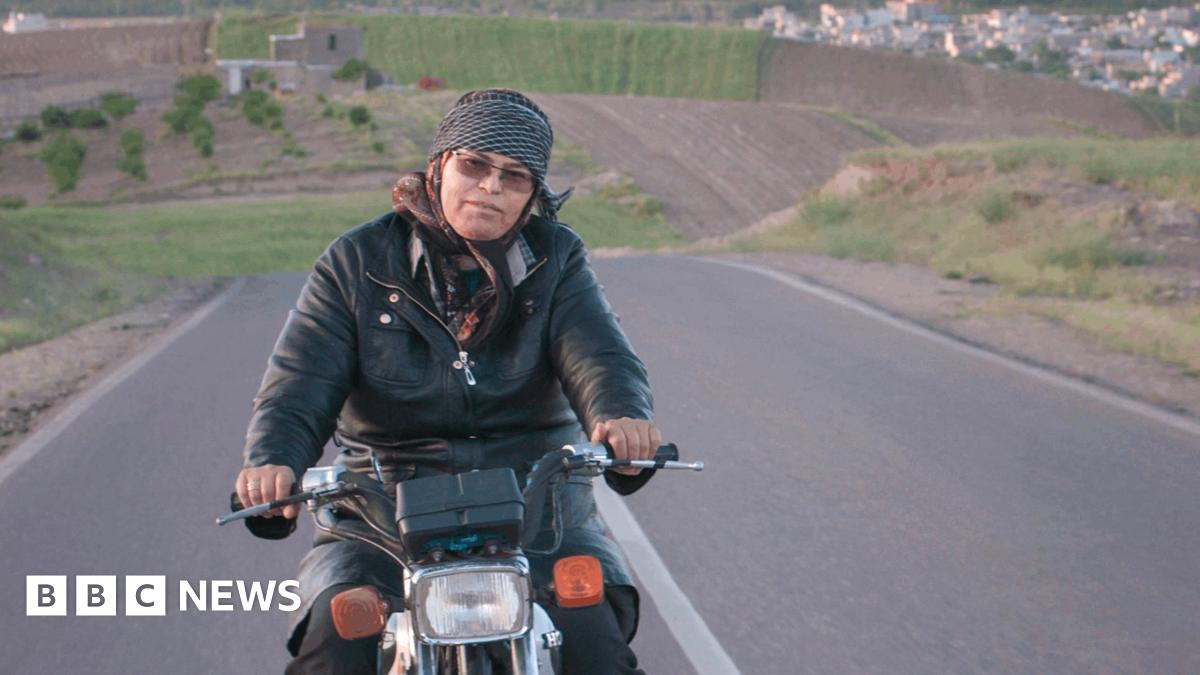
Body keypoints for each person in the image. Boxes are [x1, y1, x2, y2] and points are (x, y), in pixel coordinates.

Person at [234, 88, 662, 674]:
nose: (491, 187)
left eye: (514, 177)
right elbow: (298, 382)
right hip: (380, 511)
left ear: (532, 196)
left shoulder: (555, 258)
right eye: (475, 165)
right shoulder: (356, 261)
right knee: (335, 640)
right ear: (438, 167)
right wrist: (272, 461)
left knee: (594, 639)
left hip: (537, 505)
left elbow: (601, 354)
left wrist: (620, 419)